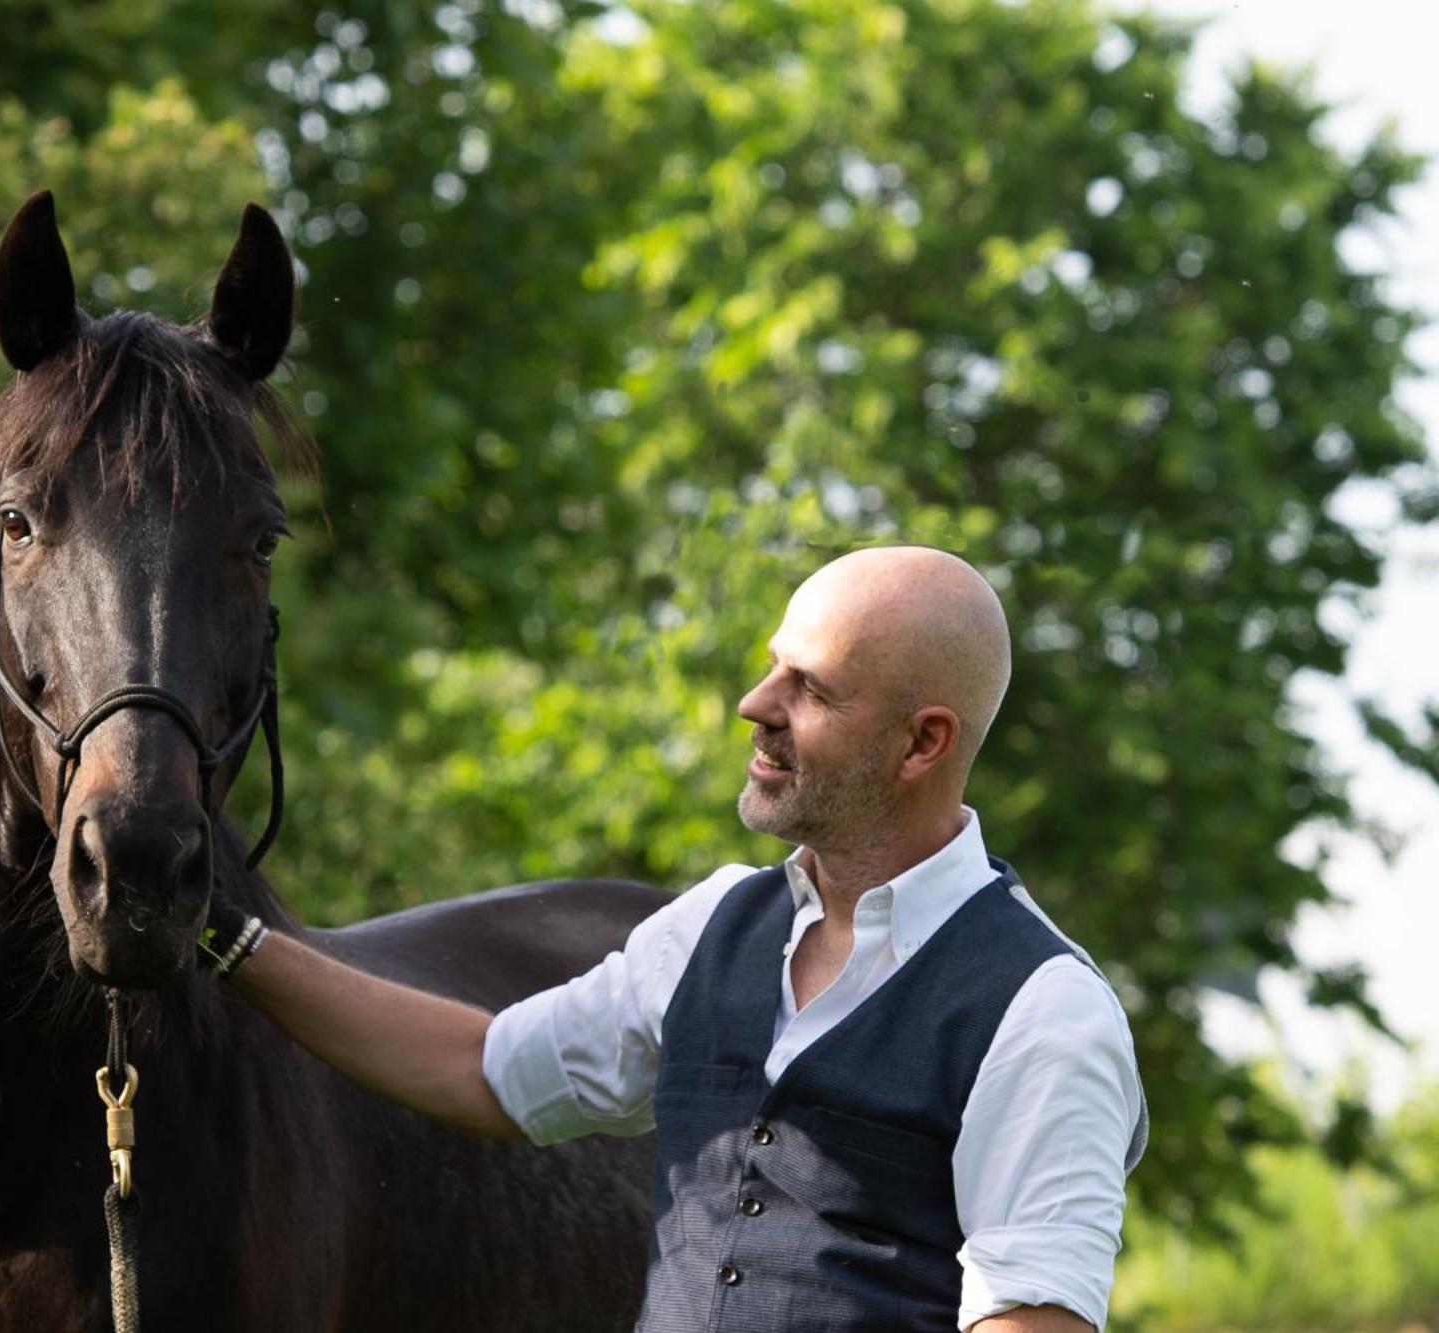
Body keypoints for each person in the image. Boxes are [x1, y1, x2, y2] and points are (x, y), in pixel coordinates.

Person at [201, 545, 1146, 1332]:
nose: (755, 702)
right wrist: (225, 938)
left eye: (809, 688)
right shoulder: (713, 925)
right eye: (774, 662)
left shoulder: (1043, 1011)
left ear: (921, 743)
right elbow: (483, 1069)